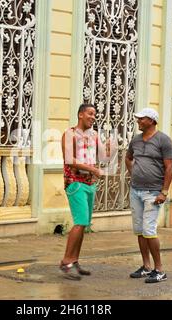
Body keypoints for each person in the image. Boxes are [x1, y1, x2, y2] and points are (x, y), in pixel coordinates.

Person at [59, 103, 111, 280]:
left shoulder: (94, 135)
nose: (93, 117)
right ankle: (66, 262)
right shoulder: (69, 134)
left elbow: (103, 157)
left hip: (90, 183)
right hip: (75, 183)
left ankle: (74, 260)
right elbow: (69, 159)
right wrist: (93, 169)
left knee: (84, 225)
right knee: (79, 222)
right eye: (90, 114)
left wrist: (110, 147)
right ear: (80, 114)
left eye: (95, 114)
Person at [125, 108, 172, 283]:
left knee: (149, 230)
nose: (138, 121)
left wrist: (164, 191)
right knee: (139, 230)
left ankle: (159, 269)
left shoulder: (164, 140)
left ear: (152, 121)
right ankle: (146, 267)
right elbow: (128, 158)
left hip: (153, 193)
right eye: (138, 118)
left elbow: (169, 167)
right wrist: (135, 173)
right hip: (136, 190)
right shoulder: (136, 140)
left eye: (141, 119)